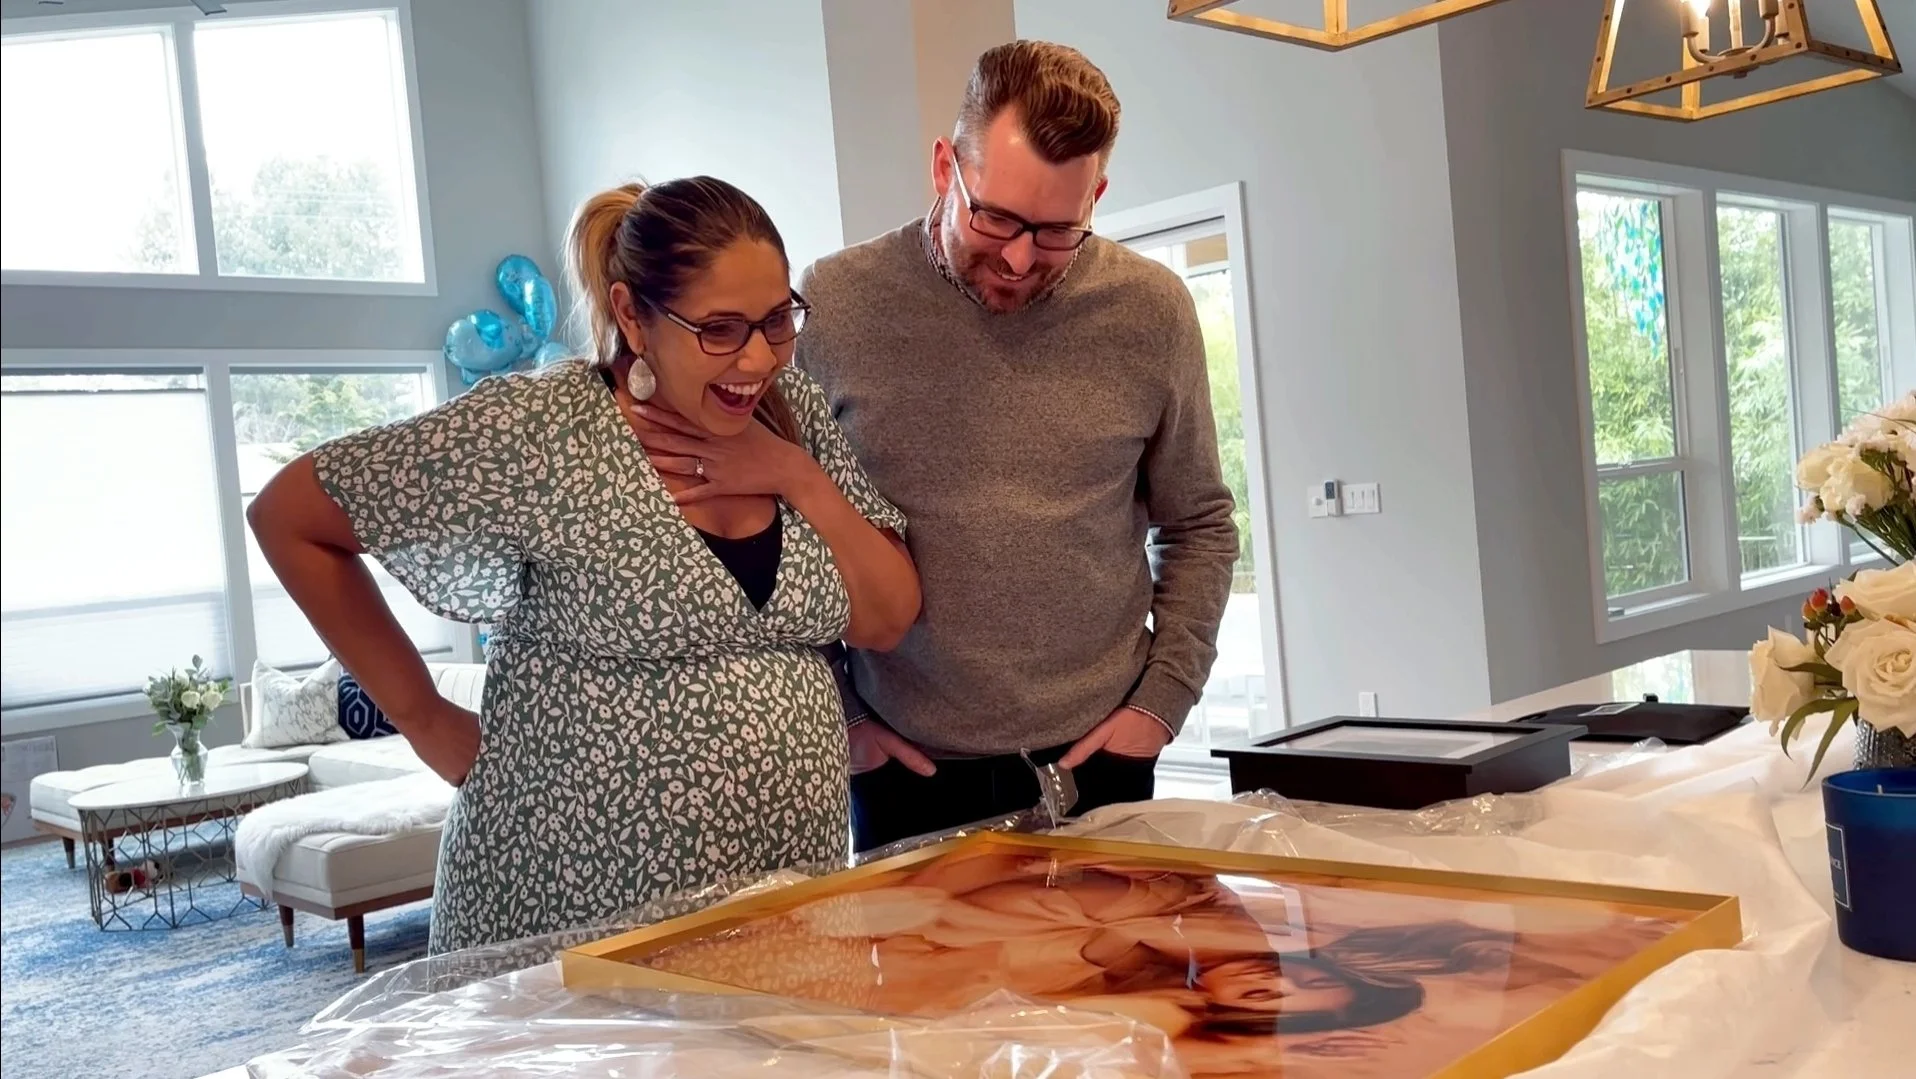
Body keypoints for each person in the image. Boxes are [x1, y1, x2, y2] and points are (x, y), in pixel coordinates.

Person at [247, 176, 920, 954]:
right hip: (569, 895)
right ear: (633, 313)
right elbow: (290, 515)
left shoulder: (792, 415)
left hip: (778, 889)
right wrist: (424, 717)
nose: (759, 356)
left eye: (777, 319)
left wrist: (797, 477)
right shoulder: (540, 429)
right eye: (721, 329)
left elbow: (890, 616)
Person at [794, 40, 1238, 851]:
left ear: (1097, 195)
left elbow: (1200, 523)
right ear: (944, 168)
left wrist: (1161, 702)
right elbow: (790, 534)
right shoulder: (834, 306)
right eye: (994, 217)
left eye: (1059, 229)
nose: (1021, 256)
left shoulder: (1152, 311)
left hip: (1101, 761)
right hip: (906, 771)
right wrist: (843, 714)